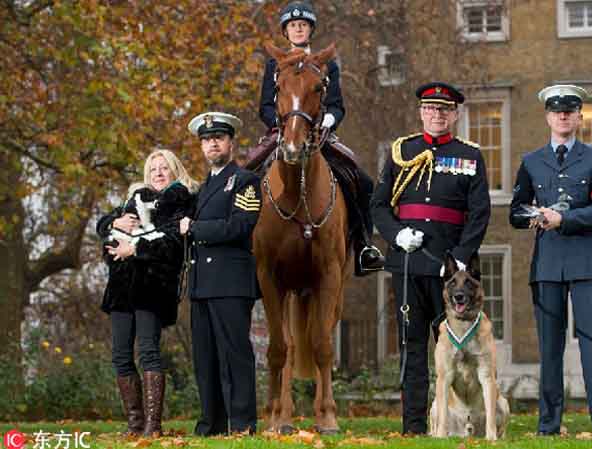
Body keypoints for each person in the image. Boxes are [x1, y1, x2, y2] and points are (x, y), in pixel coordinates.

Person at [370, 82, 491, 434]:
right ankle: (413, 426)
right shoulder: (401, 151)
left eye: (444, 109)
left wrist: (461, 259)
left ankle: (457, 423)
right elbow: (378, 205)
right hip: (408, 263)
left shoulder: (469, 154)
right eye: (431, 108)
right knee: (411, 347)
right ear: (421, 112)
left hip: (450, 273)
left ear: (454, 114)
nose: (437, 114)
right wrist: (396, 234)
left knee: (455, 352)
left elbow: (479, 213)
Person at [509, 84, 592, 436]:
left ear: (579, 116)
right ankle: (548, 425)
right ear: (547, 117)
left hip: (587, 261)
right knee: (550, 348)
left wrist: (564, 220)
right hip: (547, 264)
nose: (563, 115)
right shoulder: (530, 161)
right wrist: (535, 216)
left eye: (570, 109)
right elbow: (515, 211)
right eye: (557, 110)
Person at [251, 0, 384, 276]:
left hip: (318, 135)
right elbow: (265, 105)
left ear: (310, 30)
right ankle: (246, 247)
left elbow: (336, 105)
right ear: (285, 32)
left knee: (362, 180)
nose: (298, 30)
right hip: (282, 132)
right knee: (245, 174)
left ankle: (363, 246)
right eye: (293, 26)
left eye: (303, 25)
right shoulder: (274, 65)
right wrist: (282, 124)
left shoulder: (327, 65)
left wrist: (327, 121)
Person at [96, 149, 198, 437]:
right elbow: (102, 225)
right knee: (120, 356)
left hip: (153, 286)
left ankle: (153, 426)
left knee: (149, 353)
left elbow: (172, 244)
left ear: (174, 170)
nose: (158, 173)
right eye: (153, 169)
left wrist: (136, 248)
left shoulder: (180, 201)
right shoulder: (135, 197)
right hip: (120, 288)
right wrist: (113, 224)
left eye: (164, 168)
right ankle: (134, 424)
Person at [179, 112, 261, 436]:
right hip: (202, 284)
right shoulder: (203, 189)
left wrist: (196, 228)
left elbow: (241, 227)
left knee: (235, 355)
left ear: (230, 142)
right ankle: (211, 424)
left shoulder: (244, 181)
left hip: (230, 282)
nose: (212, 143)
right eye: (206, 139)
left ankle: (241, 424)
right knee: (206, 358)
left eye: (218, 138)